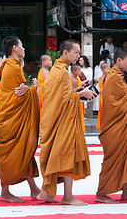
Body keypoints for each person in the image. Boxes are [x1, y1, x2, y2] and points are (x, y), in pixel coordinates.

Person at [38, 39, 96, 206]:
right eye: (76, 52)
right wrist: (81, 93)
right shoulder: (61, 72)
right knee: (67, 155)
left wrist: (76, 91)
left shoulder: (58, 70)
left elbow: (60, 95)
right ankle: (67, 196)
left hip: (60, 118)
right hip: (62, 121)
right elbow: (61, 98)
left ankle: (46, 192)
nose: (78, 56)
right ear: (65, 53)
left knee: (60, 155)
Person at [0, 36, 41, 203]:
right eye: (22, 46)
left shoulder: (7, 66)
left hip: (9, 116)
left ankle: (34, 189)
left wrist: (28, 89)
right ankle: (5, 192)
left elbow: (3, 93)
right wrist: (34, 89)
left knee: (23, 151)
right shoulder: (13, 68)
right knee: (16, 153)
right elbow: (19, 97)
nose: (24, 49)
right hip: (12, 118)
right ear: (14, 48)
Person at [95, 49, 127, 204]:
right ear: (119, 60)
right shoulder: (114, 77)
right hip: (114, 126)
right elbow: (114, 103)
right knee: (112, 159)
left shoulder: (118, 76)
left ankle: (125, 192)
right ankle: (101, 193)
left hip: (121, 125)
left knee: (125, 159)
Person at [70, 64, 86, 132]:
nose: (80, 72)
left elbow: (80, 83)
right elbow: (73, 91)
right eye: (79, 70)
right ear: (74, 71)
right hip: (76, 100)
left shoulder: (77, 78)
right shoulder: (73, 80)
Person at [96, 63, 110, 131]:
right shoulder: (106, 78)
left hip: (101, 98)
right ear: (103, 70)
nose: (109, 70)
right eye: (108, 69)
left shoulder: (100, 78)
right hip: (105, 98)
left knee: (102, 114)